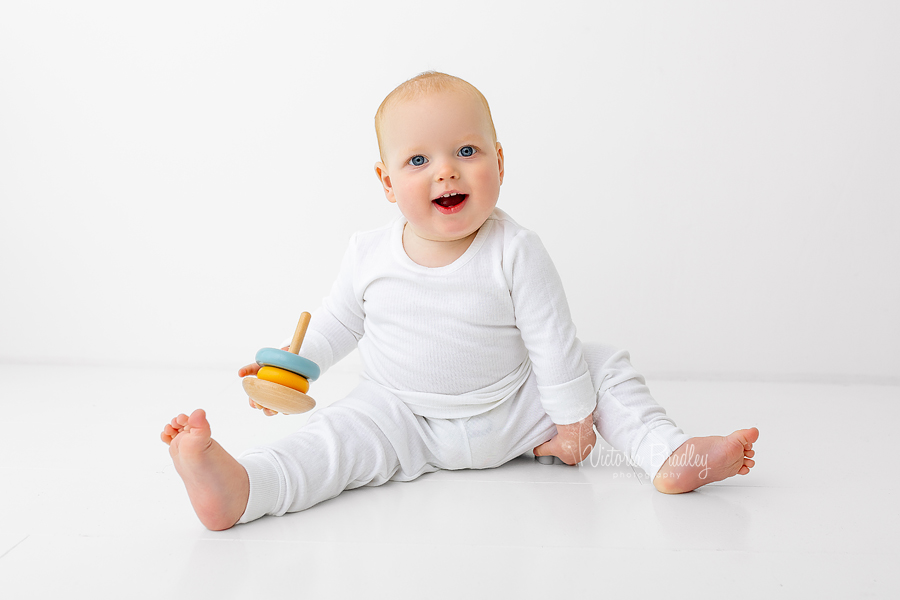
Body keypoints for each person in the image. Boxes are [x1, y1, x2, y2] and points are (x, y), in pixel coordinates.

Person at [161, 72, 759, 531]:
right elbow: (340, 321)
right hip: (402, 417)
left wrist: (574, 426)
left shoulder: (516, 250)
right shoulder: (368, 252)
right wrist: (292, 371)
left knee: (599, 364)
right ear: (387, 182)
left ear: (499, 161)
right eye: (418, 160)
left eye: (467, 152)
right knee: (331, 439)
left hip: (519, 412)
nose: (445, 171)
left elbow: (552, 342)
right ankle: (243, 488)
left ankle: (668, 454)